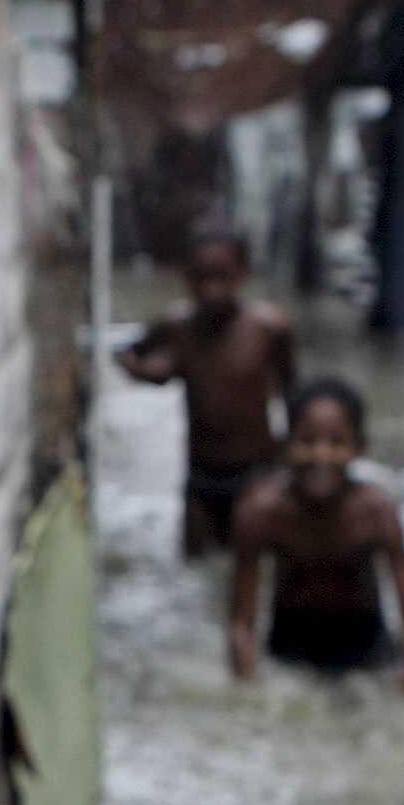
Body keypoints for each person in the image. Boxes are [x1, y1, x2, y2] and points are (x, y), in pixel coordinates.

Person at [224, 376, 404, 701]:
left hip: (367, 644)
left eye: (337, 442)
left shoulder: (377, 512)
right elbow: (242, 621)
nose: (321, 455)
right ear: (285, 446)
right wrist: (247, 696)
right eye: (307, 441)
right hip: (289, 645)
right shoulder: (260, 512)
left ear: (359, 448)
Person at [119, 226, 299, 557]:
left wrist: (293, 461)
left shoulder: (269, 329)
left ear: (243, 274)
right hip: (201, 476)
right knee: (193, 569)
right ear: (186, 278)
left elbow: (293, 397)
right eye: (200, 278)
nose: (210, 289)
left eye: (221, 277)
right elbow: (131, 353)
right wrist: (150, 372)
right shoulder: (178, 326)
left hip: (257, 474)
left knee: (252, 569)